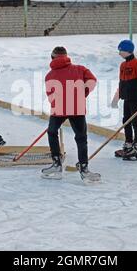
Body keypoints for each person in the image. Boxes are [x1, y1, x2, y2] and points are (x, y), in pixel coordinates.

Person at [42, 46, 97, 180]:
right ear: (66, 57)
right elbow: (92, 81)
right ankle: (84, 167)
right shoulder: (80, 69)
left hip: (58, 110)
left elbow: (50, 96)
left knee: (52, 132)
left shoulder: (49, 75)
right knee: (81, 137)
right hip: (77, 108)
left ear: (52, 58)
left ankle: (56, 163)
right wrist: (82, 94)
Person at [111, 40, 137, 160]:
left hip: (135, 98)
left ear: (127, 51)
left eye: (121, 50)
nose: (119, 53)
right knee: (126, 121)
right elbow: (122, 84)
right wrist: (116, 98)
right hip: (126, 98)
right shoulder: (123, 65)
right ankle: (129, 144)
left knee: (135, 121)